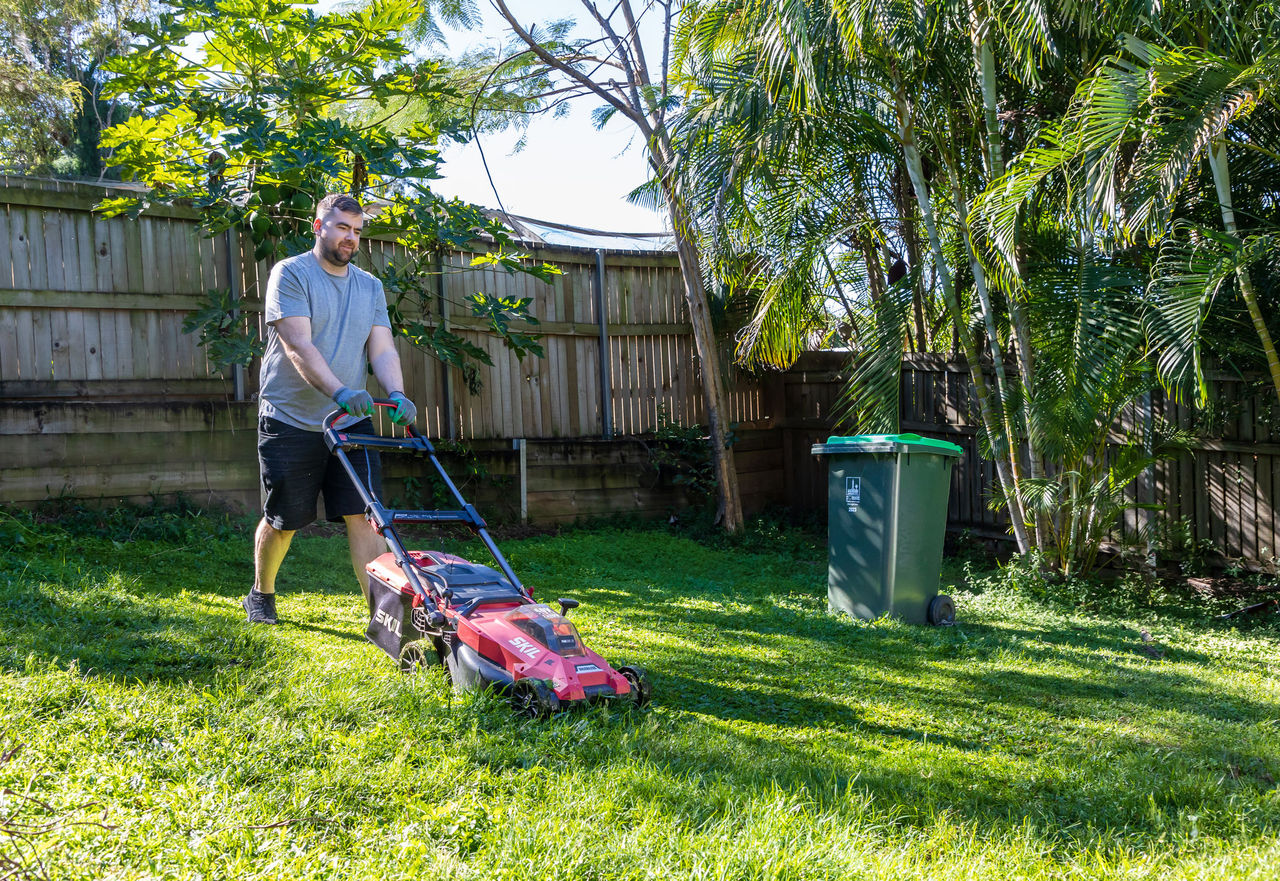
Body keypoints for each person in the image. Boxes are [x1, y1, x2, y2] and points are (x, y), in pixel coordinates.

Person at [243, 193, 417, 625]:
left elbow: (381, 347)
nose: (350, 238)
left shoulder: (370, 287)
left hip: (351, 421)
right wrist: (339, 390)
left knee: (365, 516)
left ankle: (382, 616)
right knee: (285, 519)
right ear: (319, 226)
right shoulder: (291, 274)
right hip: (291, 417)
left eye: (357, 231)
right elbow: (297, 344)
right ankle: (261, 594)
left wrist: (396, 392)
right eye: (342, 228)